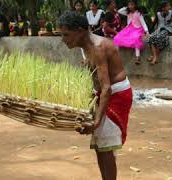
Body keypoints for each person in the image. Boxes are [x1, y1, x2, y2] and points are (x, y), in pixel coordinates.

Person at [58, 11, 133, 180]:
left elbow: (106, 88)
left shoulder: (98, 47)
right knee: (101, 146)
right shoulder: (86, 46)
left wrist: (97, 120)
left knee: (105, 146)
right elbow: (96, 79)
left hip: (115, 95)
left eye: (66, 35)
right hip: (106, 93)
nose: (63, 40)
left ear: (80, 31)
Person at [113, 0, 149, 65]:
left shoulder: (138, 13)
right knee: (118, 37)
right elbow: (119, 11)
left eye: (132, 5)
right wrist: (126, 7)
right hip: (129, 28)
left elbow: (143, 23)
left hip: (138, 29)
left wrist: (147, 31)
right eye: (129, 5)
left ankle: (138, 57)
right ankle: (116, 54)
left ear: (135, 5)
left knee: (136, 39)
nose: (130, 6)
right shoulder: (128, 13)